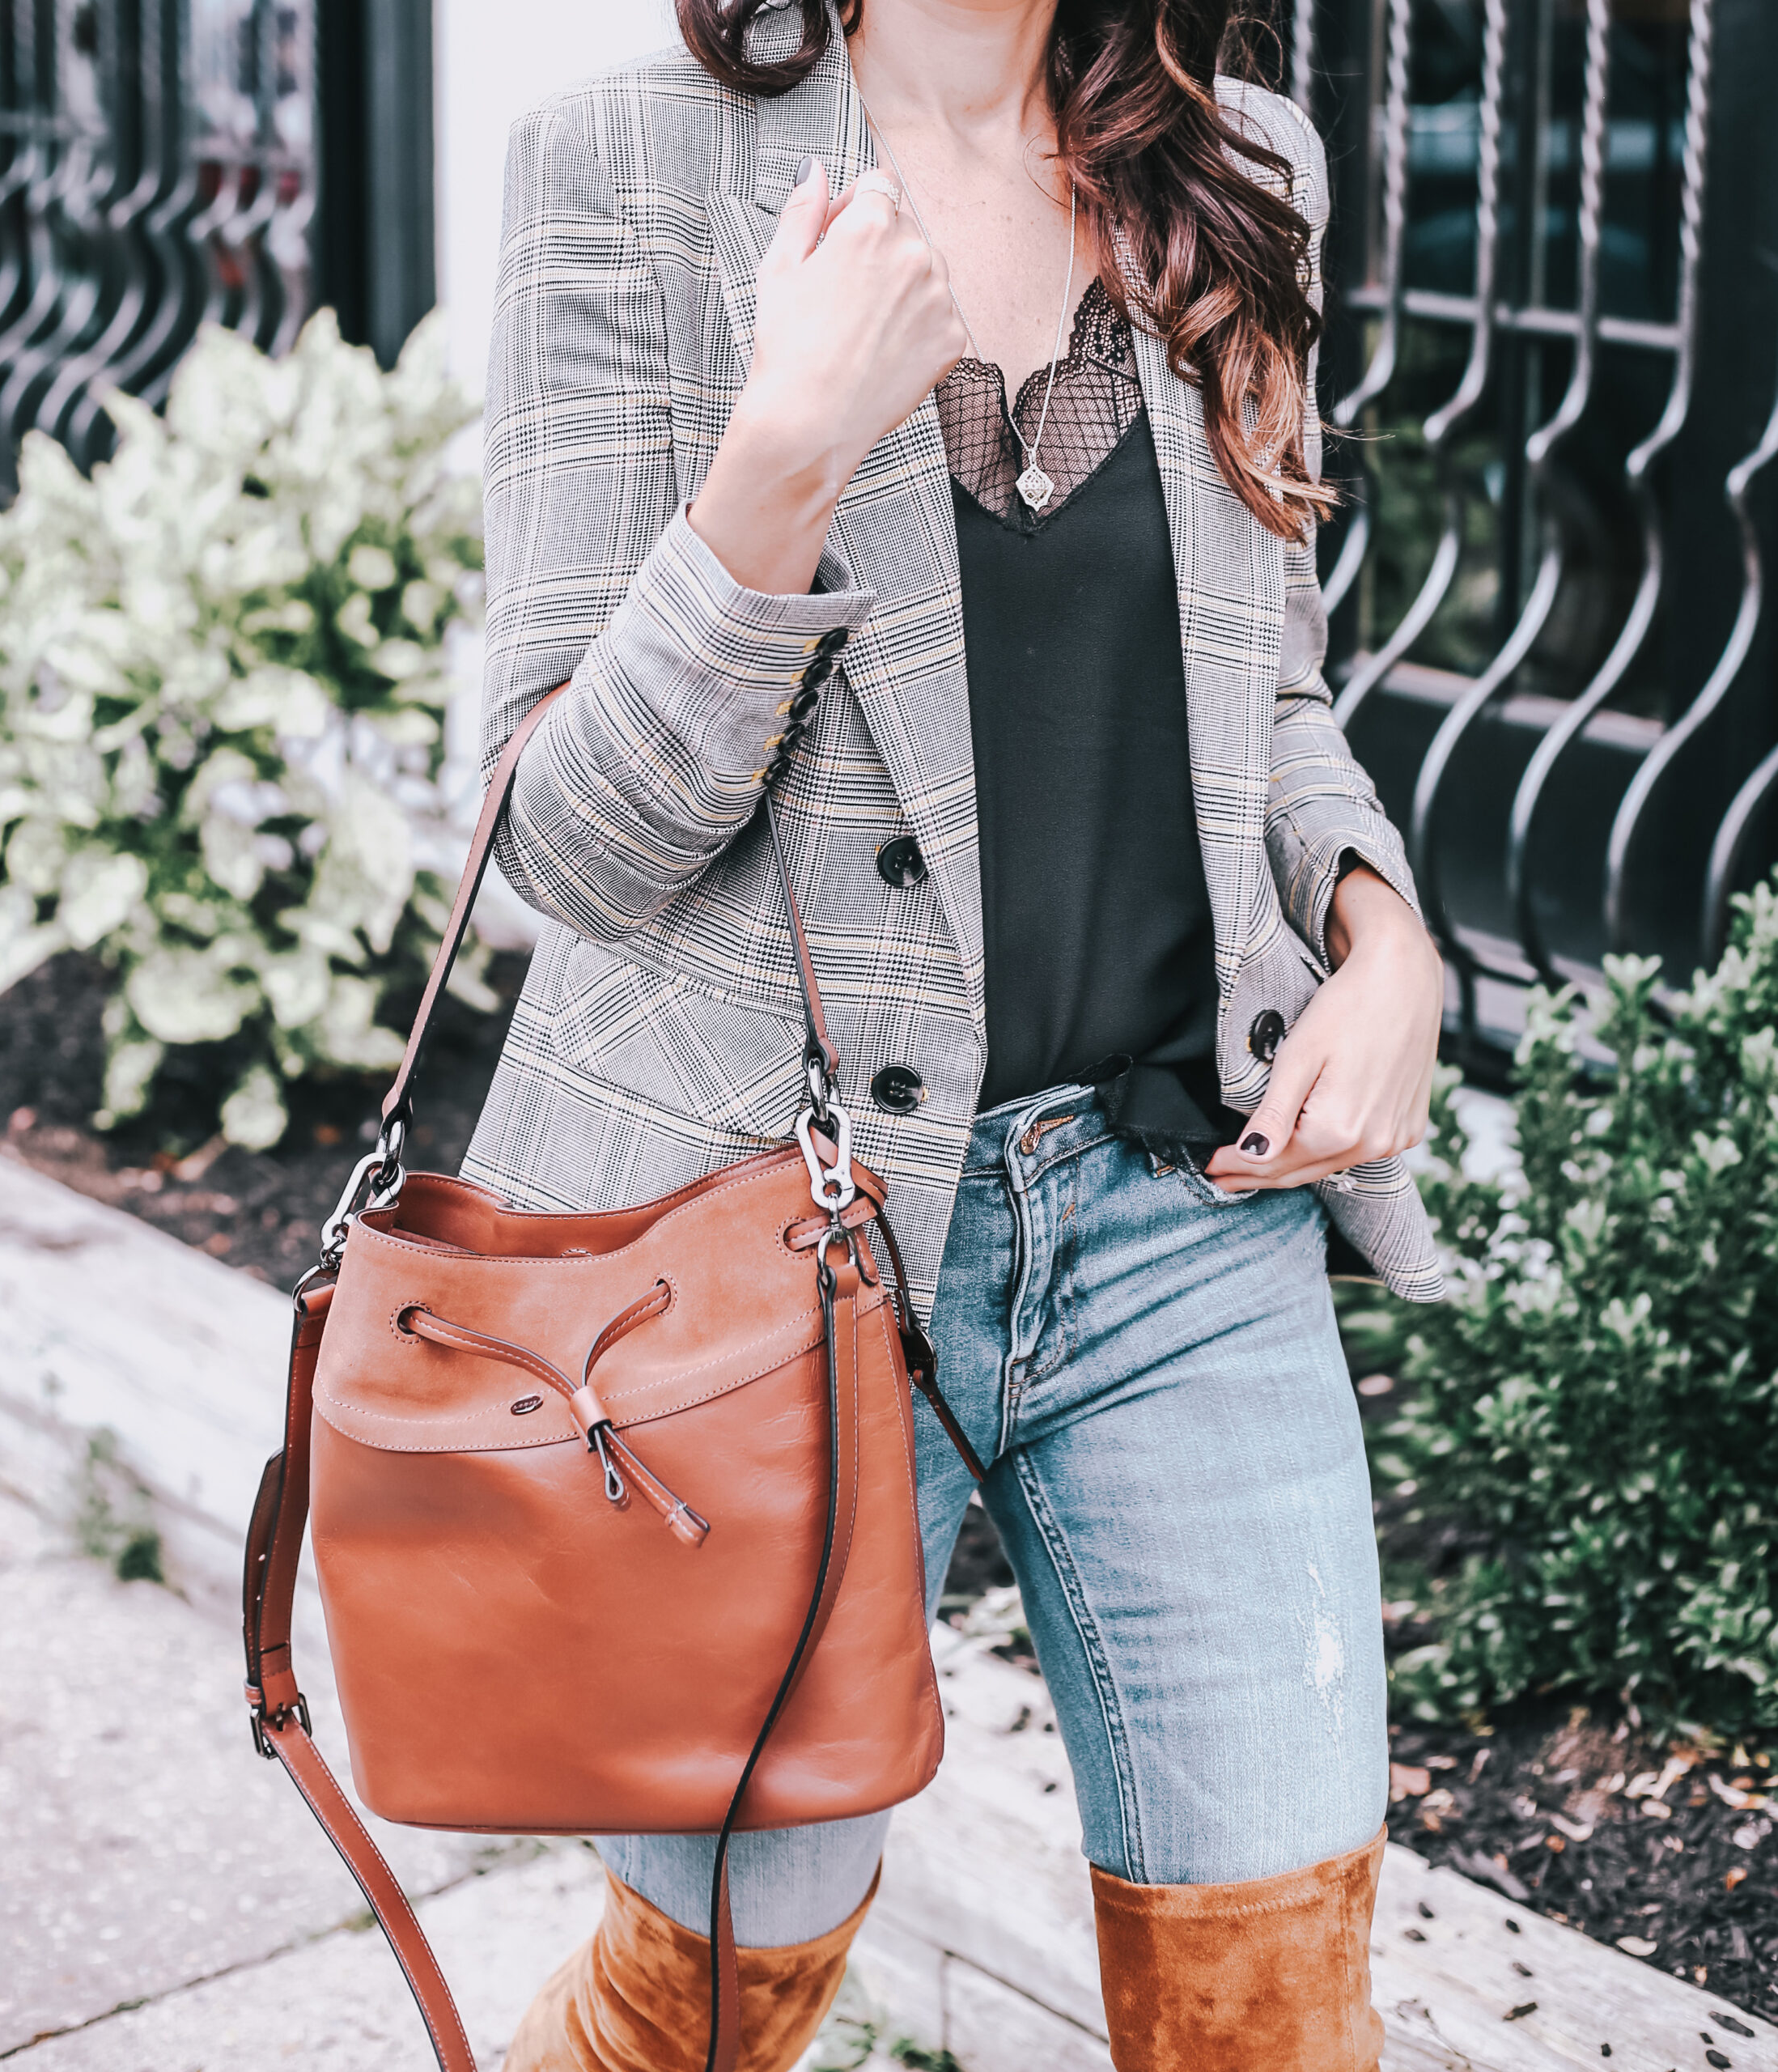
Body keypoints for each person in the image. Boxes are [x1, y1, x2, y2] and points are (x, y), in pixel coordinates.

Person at [468, 2, 1445, 2066]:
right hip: (774, 1254)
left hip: (1183, 1210)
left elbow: (1263, 694)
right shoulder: (623, 167)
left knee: (1271, 1994)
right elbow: (565, 841)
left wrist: (1385, 940)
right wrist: (781, 450)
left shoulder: (1229, 159)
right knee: (716, 1993)